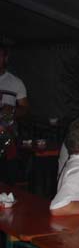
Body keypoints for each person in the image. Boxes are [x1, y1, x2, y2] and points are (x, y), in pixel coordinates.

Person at [0, 43, 29, 185]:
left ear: (5, 58)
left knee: (8, 176)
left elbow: (24, 109)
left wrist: (11, 110)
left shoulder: (16, 82)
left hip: (6, 135)